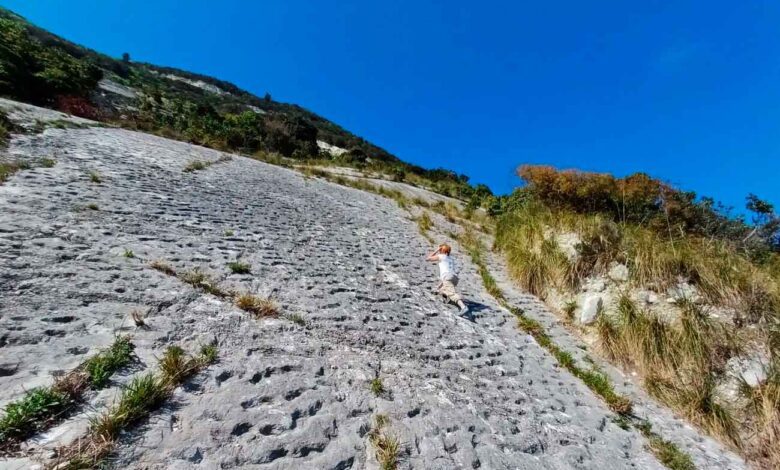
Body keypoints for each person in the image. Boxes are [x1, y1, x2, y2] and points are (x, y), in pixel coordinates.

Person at [426, 243, 470, 317]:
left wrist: (437, 250)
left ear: (442, 250)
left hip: (448, 277)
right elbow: (445, 280)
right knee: (443, 289)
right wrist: (438, 287)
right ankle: (448, 299)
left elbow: (428, 258)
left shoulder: (441, 256)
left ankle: (463, 307)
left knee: (451, 293)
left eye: (441, 250)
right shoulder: (451, 259)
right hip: (454, 278)